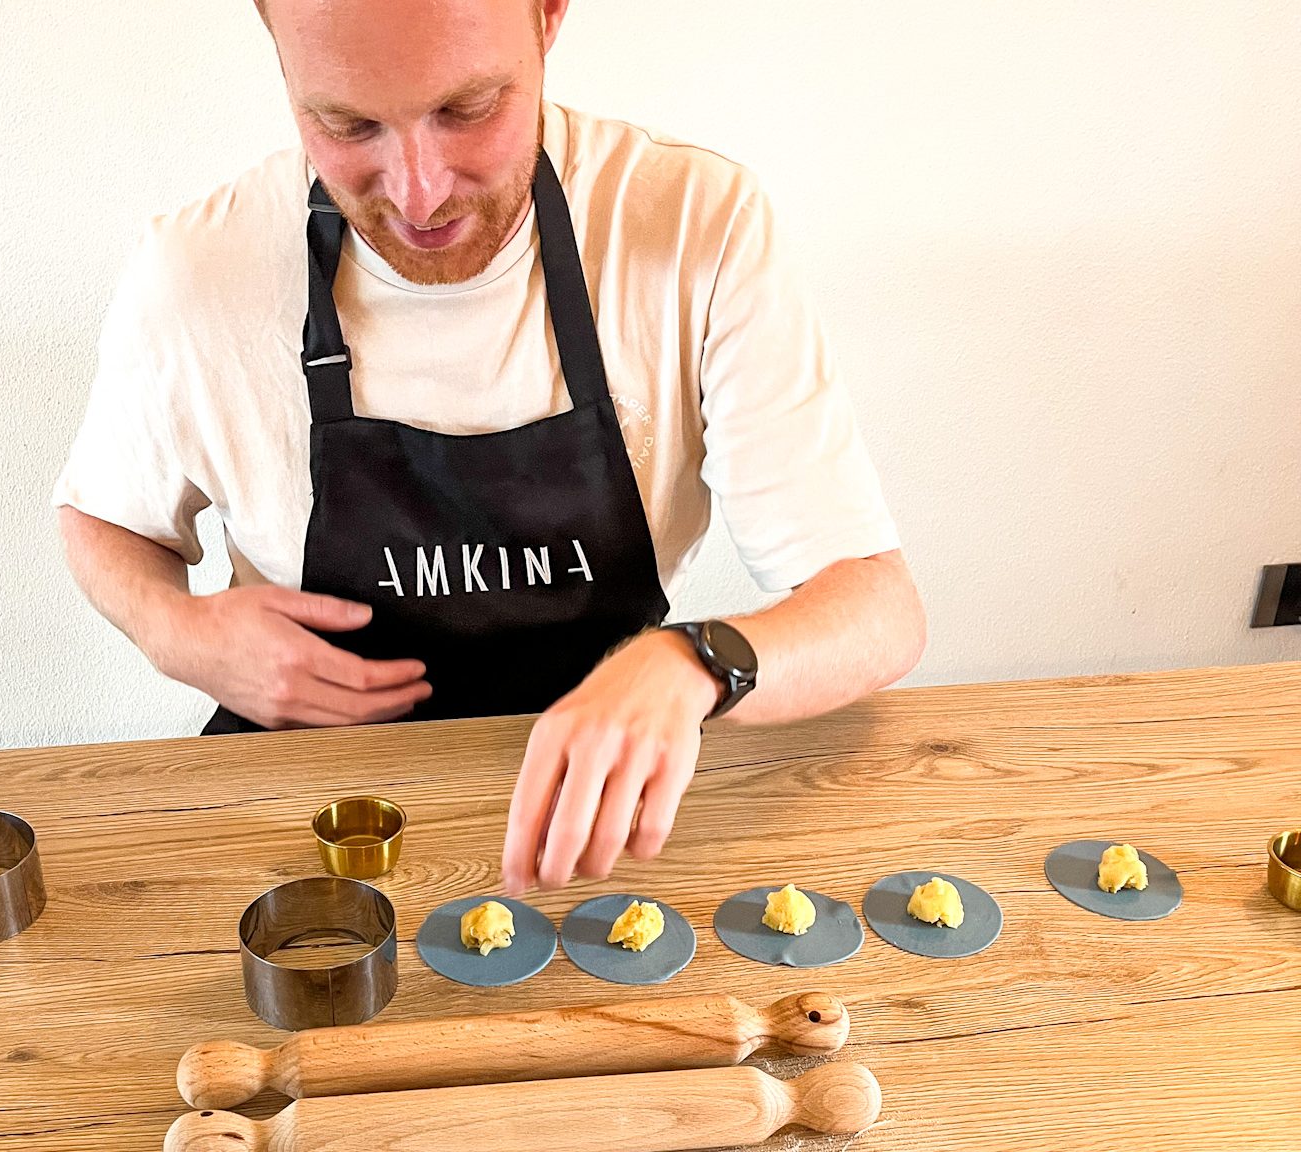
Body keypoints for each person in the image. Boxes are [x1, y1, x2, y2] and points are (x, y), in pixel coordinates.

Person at [53, 0, 927, 895]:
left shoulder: (692, 226)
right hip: (311, 825)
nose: (418, 192)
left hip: (595, 814)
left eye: (467, 111)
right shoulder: (199, 270)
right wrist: (176, 633)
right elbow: (102, 519)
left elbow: (877, 612)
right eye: (348, 125)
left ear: (549, 18)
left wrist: (693, 661)